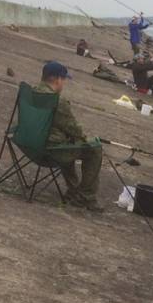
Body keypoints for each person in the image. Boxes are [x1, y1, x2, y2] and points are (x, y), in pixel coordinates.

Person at [33, 61, 104, 213]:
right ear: (58, 79)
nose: (64, 83)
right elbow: (74, 130)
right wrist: (84, 139)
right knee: (94, 148)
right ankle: (85, 196)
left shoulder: (32, 92)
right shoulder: (57, 101)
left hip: (29, 144)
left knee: (70, 142)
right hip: (49, 150)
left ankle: (73, 190)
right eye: (64, 80)